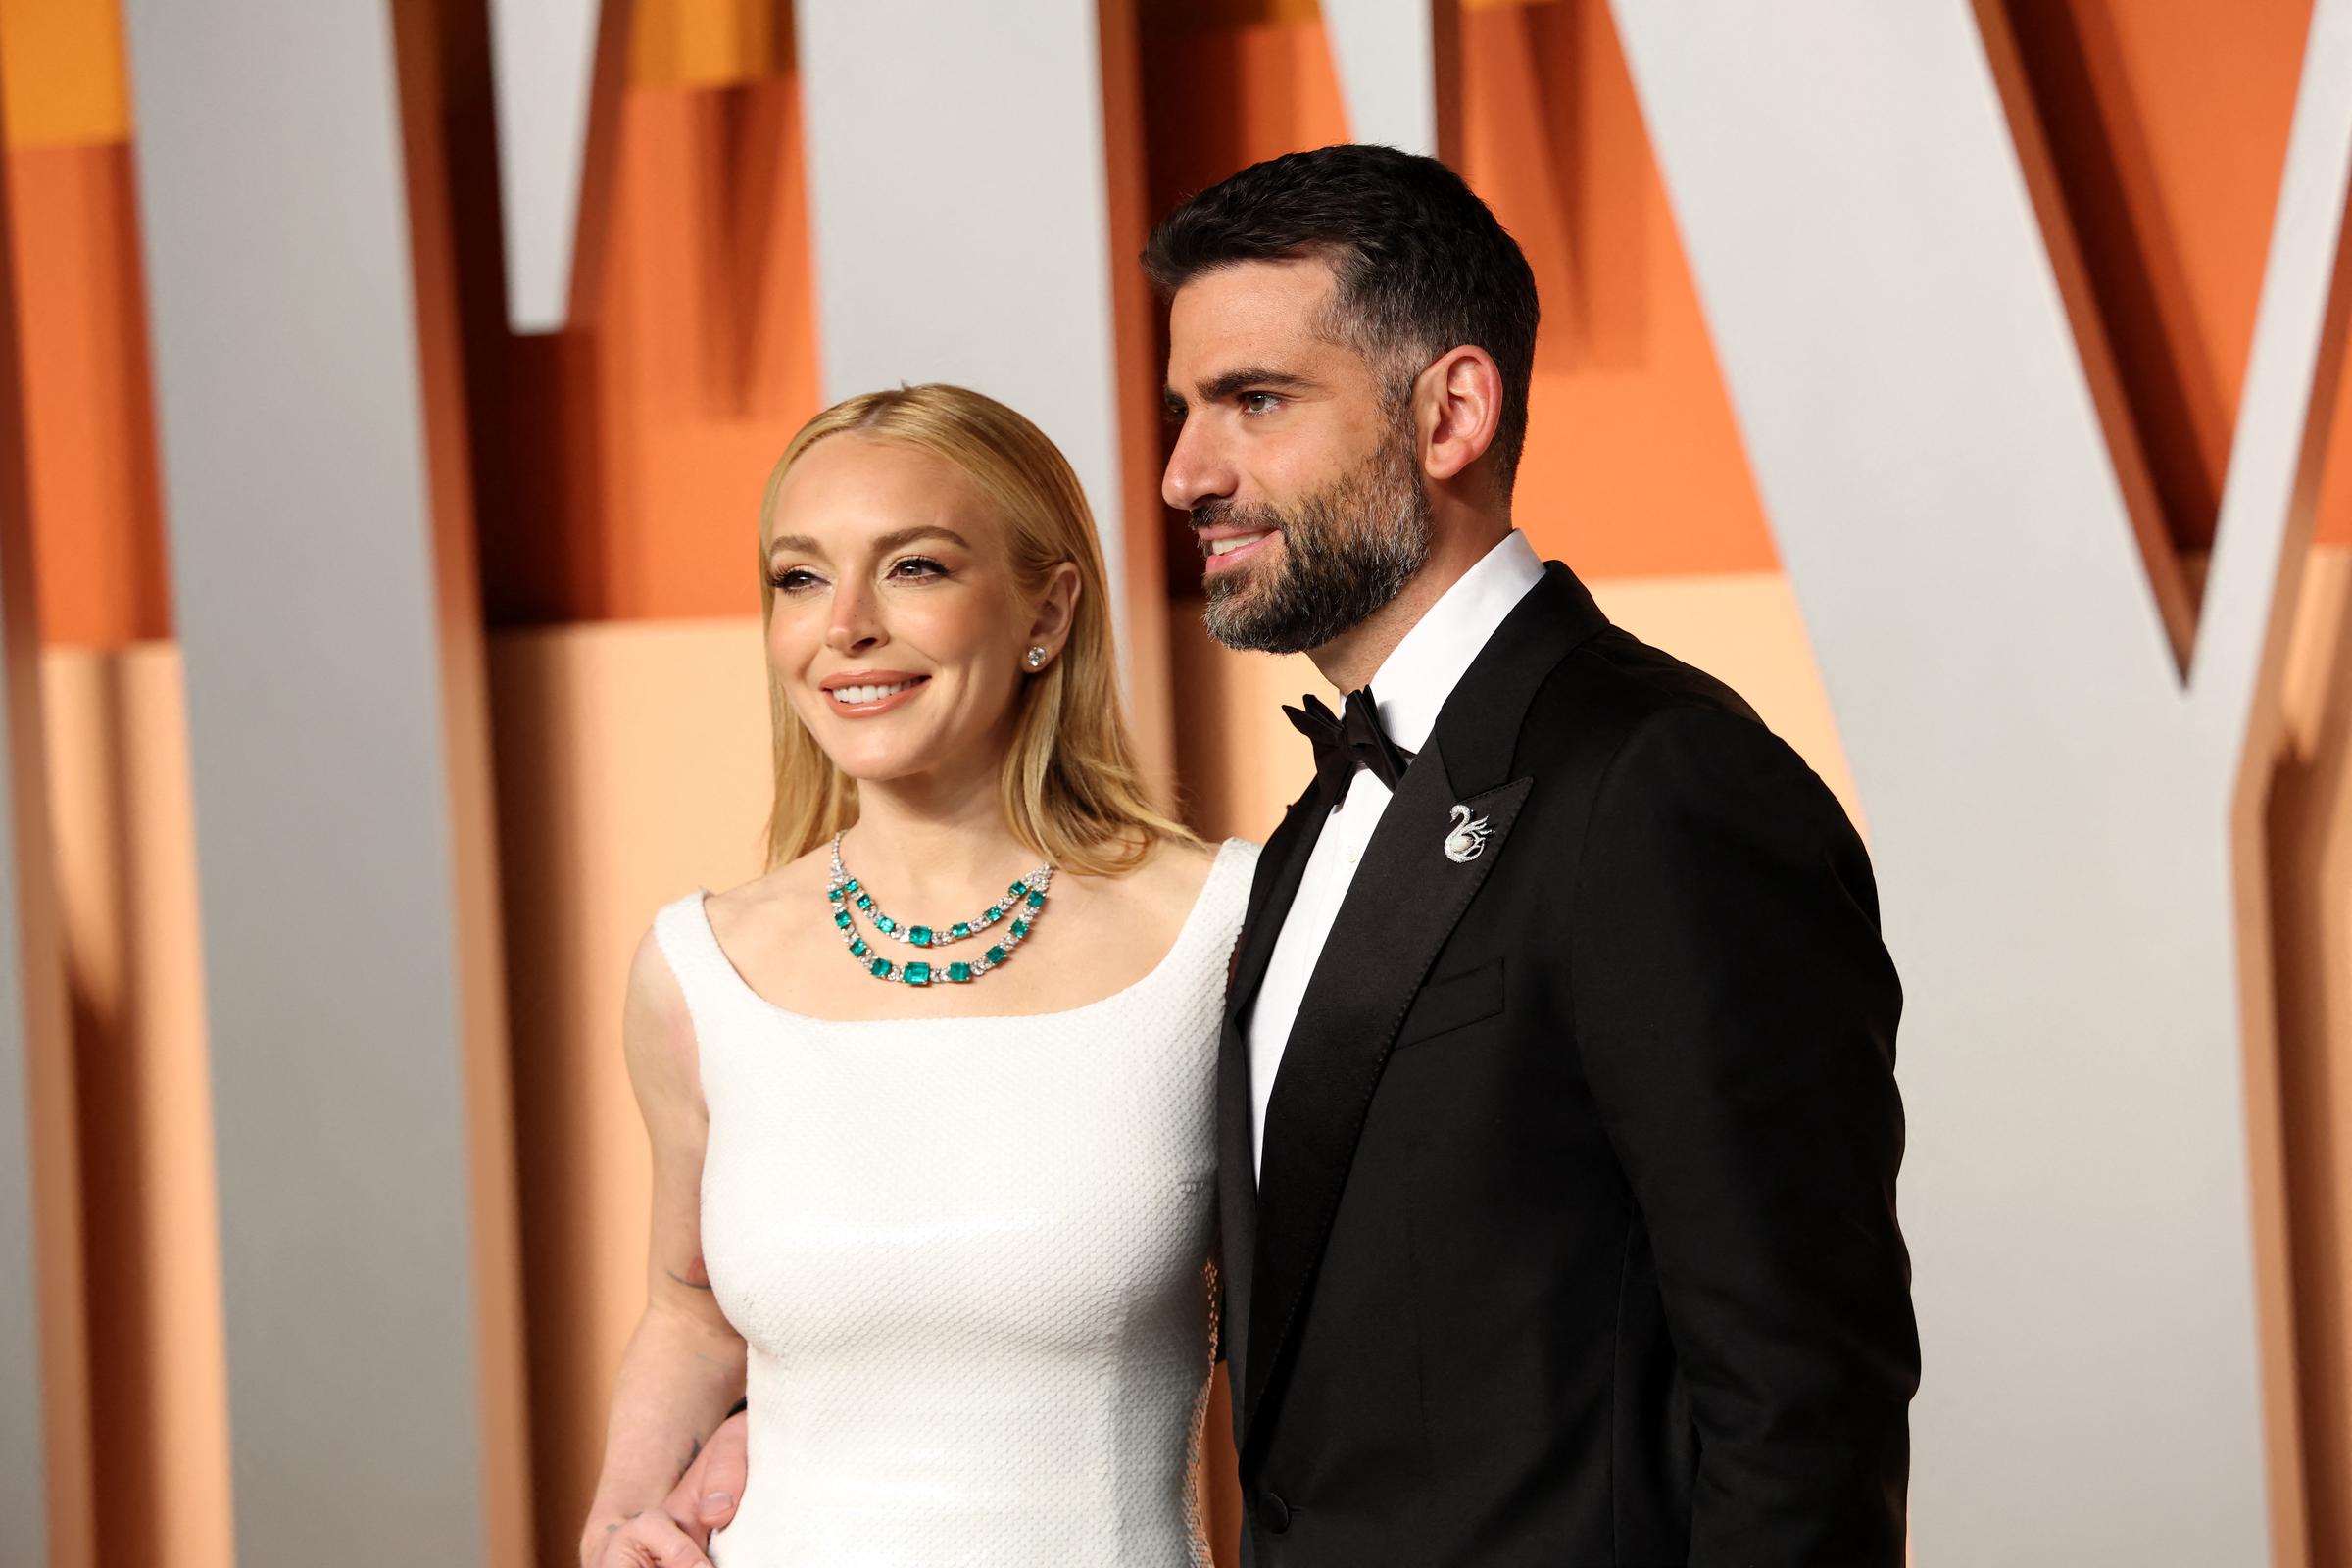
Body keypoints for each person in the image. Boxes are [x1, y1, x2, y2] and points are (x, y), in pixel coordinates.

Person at [684, 144, 1918, 1566]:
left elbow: (1805, 1403)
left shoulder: (1663, 786)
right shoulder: (1306, 834)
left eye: (1254, 403)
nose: (1182, 474)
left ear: (1452, 410)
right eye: (1183, 411)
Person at [580, 383, 1255, 1567]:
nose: (844, 626)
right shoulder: (698, 969)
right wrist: (617, 1525)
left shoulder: (1226, 928)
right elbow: (689, 1316)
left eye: (915, 569)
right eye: (799, 577)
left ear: (1047, 610)